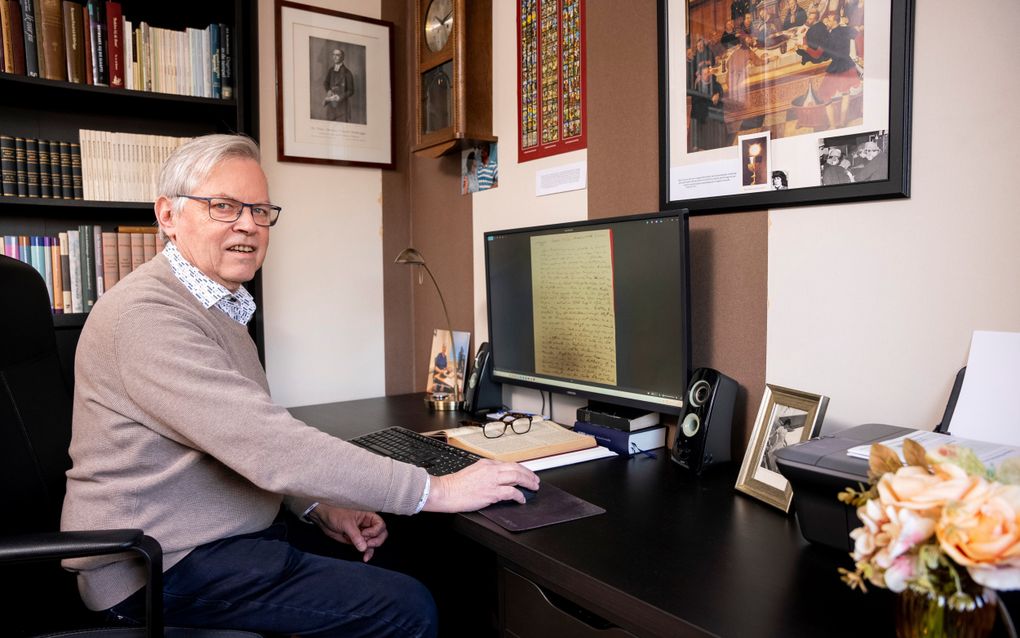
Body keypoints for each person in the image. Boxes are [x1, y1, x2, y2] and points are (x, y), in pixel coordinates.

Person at [60, 134, 539, 637]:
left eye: (260, 210)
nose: (248, 224)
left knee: (416, 553)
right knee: (405, 606)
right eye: (223, 206)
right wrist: (434, 488)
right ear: (168, 215)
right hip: (158, 566)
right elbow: (265, 445)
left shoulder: (217, 304)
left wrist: (315, 505)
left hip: (208, 538)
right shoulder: (147, 315)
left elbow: (233, 444)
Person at [323, 48, 355, 122]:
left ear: (342, 57)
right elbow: (326, 82)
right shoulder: (330, 70)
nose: (334, 57)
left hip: (342, 107)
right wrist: (328, 90)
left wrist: (340, 97)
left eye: (337, 55)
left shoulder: (347, 73)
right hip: (331, 106)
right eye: (333, 55)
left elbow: (351, 90)